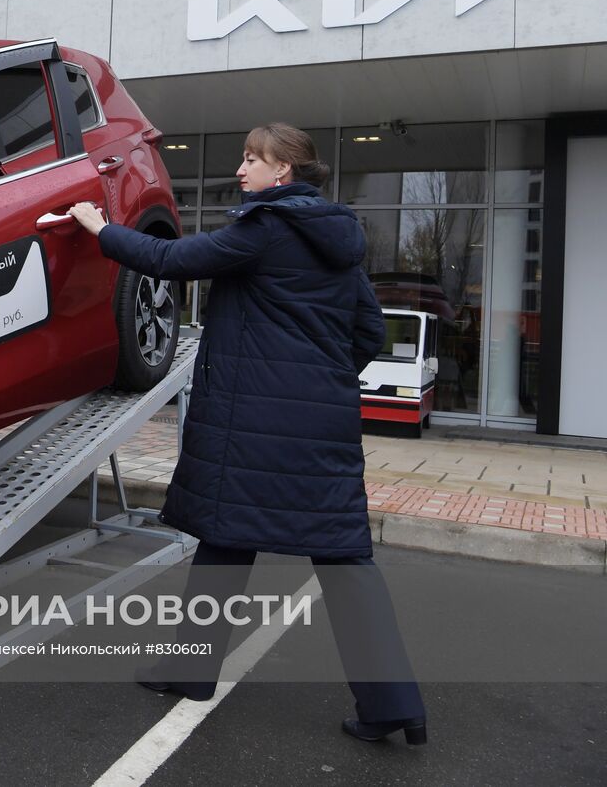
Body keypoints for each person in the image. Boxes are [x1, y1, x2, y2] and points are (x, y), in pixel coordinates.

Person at [68, 124, 427, 746]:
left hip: (256, 422)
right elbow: (368, 331)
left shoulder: (264, 229)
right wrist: (318, 376)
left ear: (282, 172)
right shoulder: (340, 244)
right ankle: (393, 703)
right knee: (342, 557)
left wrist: (99, 228)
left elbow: (168, 260)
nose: (241, 169)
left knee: (227, 533)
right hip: (322, 425)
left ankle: (191, 668)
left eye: (251, 159)